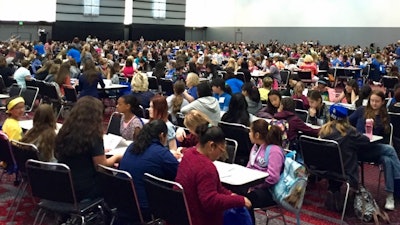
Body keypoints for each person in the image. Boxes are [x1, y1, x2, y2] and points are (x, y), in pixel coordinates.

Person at [175, 124, 251, 225]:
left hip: (182, 215)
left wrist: (230, 195)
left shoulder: (189, 154)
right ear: (211, 146)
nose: (220, 155)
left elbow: (215, 187)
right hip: (199, 219)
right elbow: (210, 201)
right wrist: (239, 200)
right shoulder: (206, 167)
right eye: (221, 150)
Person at [55, 96, 122, 201]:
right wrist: (116, 157)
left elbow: (79, 152)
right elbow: (101, 166)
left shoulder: (65, 131)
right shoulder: (93, 135)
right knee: (118, 183)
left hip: (63, 184)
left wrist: (99, 152)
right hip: (85, 188)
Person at [119, 120, 179, 222]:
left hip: (124, 202)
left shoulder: (132, 147)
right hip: (147, 207)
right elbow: (179, 174)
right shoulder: (161, 153)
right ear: (162, 135)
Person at [319, 104, 367, 211]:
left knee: (335, 160)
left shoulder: (324, 131)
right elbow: (365, 141)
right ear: (346, 118)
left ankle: (333, 189)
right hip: (345, 171)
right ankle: (353, 191)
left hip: (324, 169)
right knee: (349, 156)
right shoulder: (349, 132)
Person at [245, 119, 284, 224]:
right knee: (233, 195)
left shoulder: (274, 150)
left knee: (244, 200)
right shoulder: (255, 147)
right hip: (254, 185)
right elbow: (250, 165)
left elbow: (273, 177)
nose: (249, 134)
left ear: (257, 135)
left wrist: (254, 186)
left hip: (269, 191)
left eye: (250, 131)